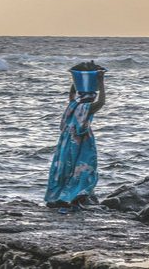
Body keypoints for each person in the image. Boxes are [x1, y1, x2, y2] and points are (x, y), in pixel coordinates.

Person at [44, 62, 106, 214]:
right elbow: (102, 102)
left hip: (66, 141)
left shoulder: (73, 105)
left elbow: (71, 94)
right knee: (84, 168)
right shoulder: (88, 107)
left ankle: (59, 196)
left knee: (64, 168)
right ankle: (72, 196)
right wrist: (101, 81)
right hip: (81, 141)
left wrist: (76, 80)